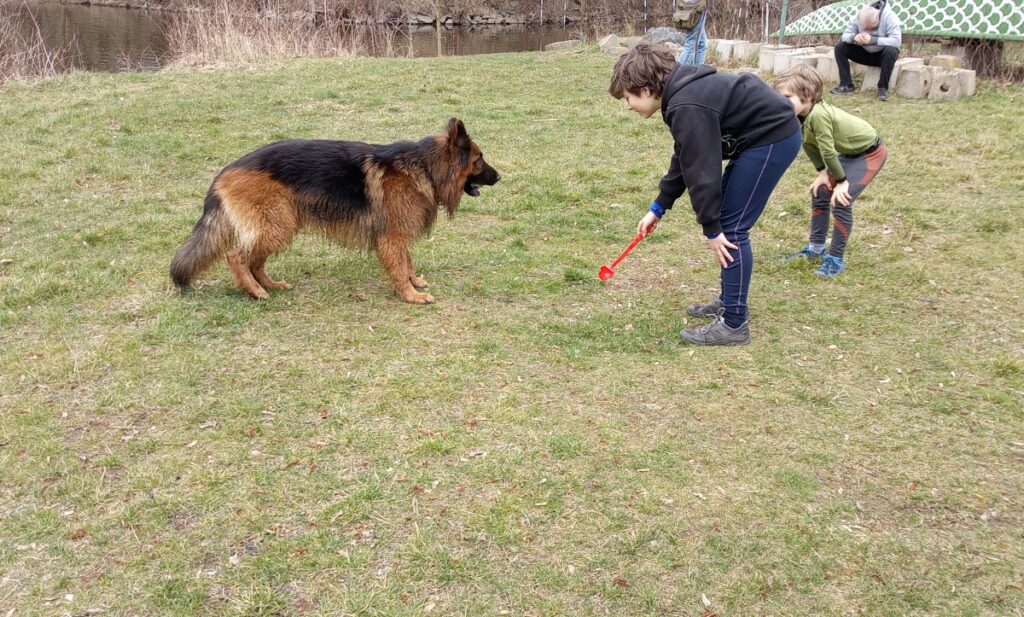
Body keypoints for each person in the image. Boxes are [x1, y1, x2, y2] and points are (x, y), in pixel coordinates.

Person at [608, 43, 801, 346]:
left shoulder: (687, 105)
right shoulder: (682, 97)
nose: (629, 105)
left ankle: (735, 323)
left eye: (629, 98)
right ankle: (729, 301)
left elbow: (703, 171)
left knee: (732, 228)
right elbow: (686, 155)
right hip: (757, 139)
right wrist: (659, 206)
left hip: (773, 138)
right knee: (728, 222)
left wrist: (711, 228)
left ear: (645, 89)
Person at [775, 64, 888, 277]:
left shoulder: (818, 115)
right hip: (849, 154)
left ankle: (835, 259)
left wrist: (842, 181)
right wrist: (821, 174)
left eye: (787, 97)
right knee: (821, 192)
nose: (781, 102)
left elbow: (827, 152)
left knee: (841, 200)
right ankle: (815, 249)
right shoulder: (800, 116)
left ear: (807, 95)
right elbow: (808, 145)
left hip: (870, 153)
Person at [831, 0, 902, 101]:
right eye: (863, 27)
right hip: (864, 53)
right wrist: (854, 37)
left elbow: (896, 41)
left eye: (869, 27)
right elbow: (845, 35)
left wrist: (873, 40)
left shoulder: (890, 17)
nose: (865, 29)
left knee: (891, 50)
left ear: (877, 19)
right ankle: (846, 85)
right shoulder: (860, 16)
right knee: (840, 47)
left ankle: (882, 88)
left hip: (882, 56)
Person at [676, 0, 708, 65]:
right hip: (695, 7)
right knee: (690, 44)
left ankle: (698, 71)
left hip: (691, 6)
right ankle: (678, 72)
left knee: (702, 44)